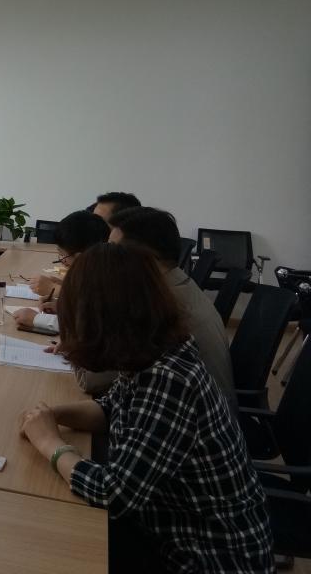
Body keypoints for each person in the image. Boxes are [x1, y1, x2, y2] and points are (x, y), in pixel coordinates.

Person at [18, 243, 272, 573]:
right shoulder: (152, 354)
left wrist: (49, 442)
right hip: (163, 527)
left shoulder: (169, 379)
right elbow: (110, 410)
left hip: (208, 557)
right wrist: (53, 415)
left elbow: (112, 493)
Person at [106, 206, 235, 404]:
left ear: (145, 258)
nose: (105, 261)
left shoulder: (162, 305)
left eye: (113, 252)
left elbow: (95, 377)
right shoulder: (177, 283)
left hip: (187, 417)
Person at [13, 211, 108, 334]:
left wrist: (37, 319)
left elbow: (91, 329)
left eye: (63, 255)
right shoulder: (97, 271)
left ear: (80, 257)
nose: (62, 261)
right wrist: (63, 307)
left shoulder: (109, 280)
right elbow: (88, 310)